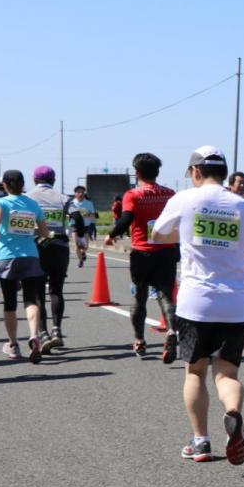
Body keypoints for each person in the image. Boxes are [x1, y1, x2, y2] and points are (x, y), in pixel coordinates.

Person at [152, 146, 244, 465]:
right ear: (224, 173)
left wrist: (187, 235)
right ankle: (233, 415)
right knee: (227, 374)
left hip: (196, 302)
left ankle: (200, 442)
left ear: (195, 172)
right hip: (235, 302)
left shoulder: (185, 200)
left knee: (195, 372)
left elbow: (157, 235)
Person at [104, 152, 179, 361]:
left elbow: (126, 218)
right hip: (166, 250)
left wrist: (111, 235)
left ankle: (139, 339)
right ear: (157, 171)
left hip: (142, 252)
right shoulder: (170, 193)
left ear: (136, 172)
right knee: (166, 294)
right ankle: (172, 331)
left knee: (140, 296)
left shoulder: (133, 195)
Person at [0, 169, 50, 362]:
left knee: (9, 302)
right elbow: (44, 232)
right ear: (23, 184)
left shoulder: (0, 201)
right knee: (31, 299)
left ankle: (13, 345)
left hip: (6, 256)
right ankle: (34, 334)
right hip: (30, 255)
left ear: (4, 185)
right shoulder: (32, 204)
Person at [27, 166, 83, 351]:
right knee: (56, 290)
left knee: (38, 293)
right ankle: (57, 330)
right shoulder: (63, 198)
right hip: (59, 247)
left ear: (34, 180)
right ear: (53, 180)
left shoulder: (28, 198)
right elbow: (77, 217)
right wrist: (80, 237)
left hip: (36, 246)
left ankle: (43, 335)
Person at [68, 186, 94, 267]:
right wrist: (70, 215)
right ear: (75, 194)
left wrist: (88, 214)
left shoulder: (89, 203)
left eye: (82, 192)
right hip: (74, 225)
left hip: (85, 226)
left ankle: (83, 252)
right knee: (77, 245)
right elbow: (67, 214)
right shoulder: (71, 203)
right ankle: (80, 260)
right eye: (78, 192)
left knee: (85, 246)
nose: (80, 194)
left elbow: (94, 214)